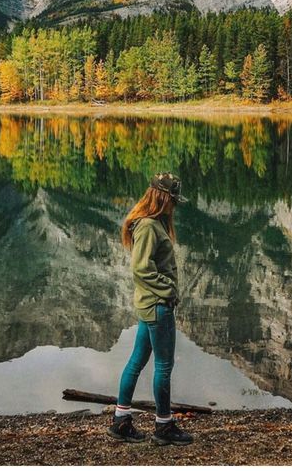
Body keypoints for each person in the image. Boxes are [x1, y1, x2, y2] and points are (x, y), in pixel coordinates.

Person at [107, 172, 194, 446]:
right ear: (163, 197)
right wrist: (168, 290)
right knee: (163, 366)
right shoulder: (147, 227)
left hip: (150, 306)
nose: (175, 206)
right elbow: (141, 268)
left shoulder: (151, 223)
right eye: (173, 201)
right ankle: (163, 426)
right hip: (158, 306)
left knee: (137, 361)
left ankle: (121, 421)